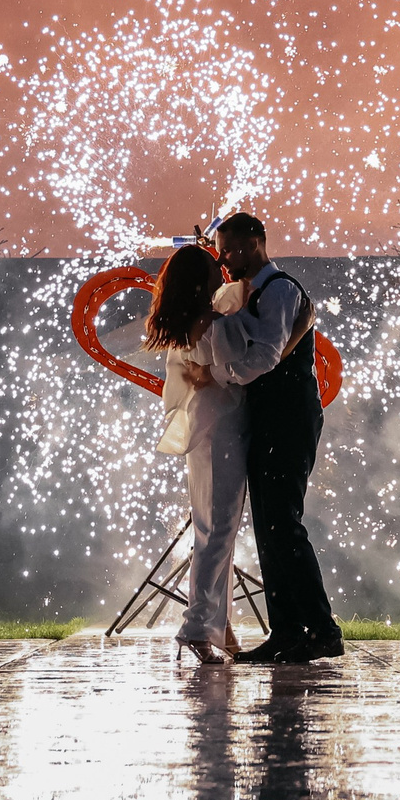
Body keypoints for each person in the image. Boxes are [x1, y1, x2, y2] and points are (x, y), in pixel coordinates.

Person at [188, 212, 343, 663]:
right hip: (273, 417)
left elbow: (266, 357)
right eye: (222, 250)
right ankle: (288, 630)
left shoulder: (279, 291)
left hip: (289, 417)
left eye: (232, 248)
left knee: (284, 523)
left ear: (257, 242)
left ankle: (322, 629)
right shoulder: (257, 292)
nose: (226, 258)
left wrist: (214, 372)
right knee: (271, 525)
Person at [143, 243, 249, 665]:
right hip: (223, 432)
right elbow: (238, 371)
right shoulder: (213, 325)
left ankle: (216, 626)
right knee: (219, 531)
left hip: (203, 435)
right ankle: (198, 626)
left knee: (211, 530)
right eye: (214, 269)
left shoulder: (186, 327)